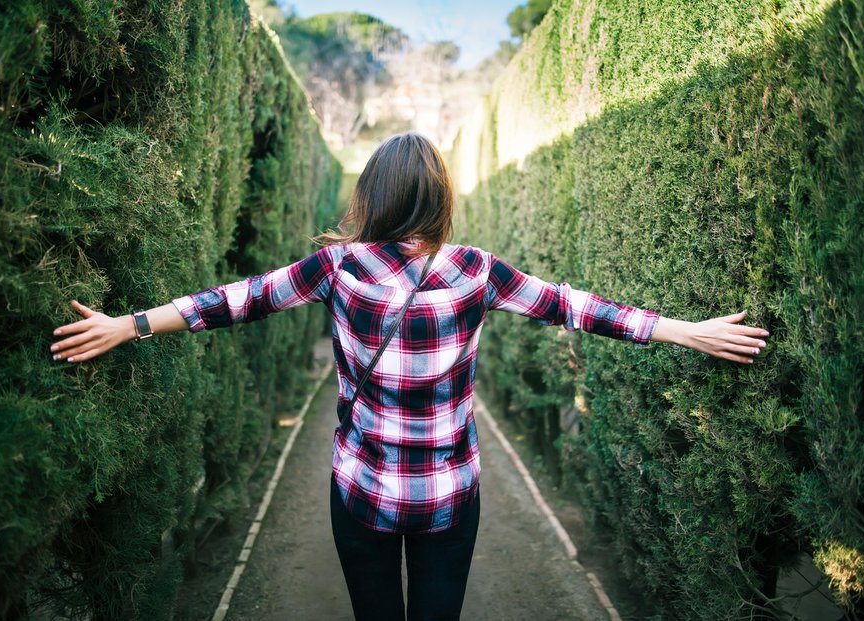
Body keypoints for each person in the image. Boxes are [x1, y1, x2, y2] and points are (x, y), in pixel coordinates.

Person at [50, 132, 769, 620]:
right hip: (450, 496)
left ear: (375, 195)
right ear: (439, 198)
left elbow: (231, 302)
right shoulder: (476, 271)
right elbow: (580, 309)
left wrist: (129, 323)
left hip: (360, 488)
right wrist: (684, 329)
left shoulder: (336, 268)